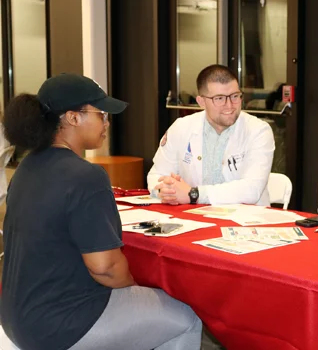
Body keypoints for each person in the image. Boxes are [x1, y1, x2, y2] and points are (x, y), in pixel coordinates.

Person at [0, 74, 202, 350]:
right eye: (101, 114)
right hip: (62, 325)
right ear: (72, 118)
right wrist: (133, 289)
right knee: (187, 317)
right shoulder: (86, 176)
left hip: (16, 319)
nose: (107, 122)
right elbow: (105, 268)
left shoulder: (25, 169)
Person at [147, 64, 275, 206]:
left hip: (244, 221)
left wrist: (193, 194)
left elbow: (251, 190)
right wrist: (166, 191)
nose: (229, 105)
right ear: (201, 102)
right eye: (219, 98)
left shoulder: (259, 131)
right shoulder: (181, 127)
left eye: (235, 96)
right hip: (193, 218)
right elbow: (156, 175)